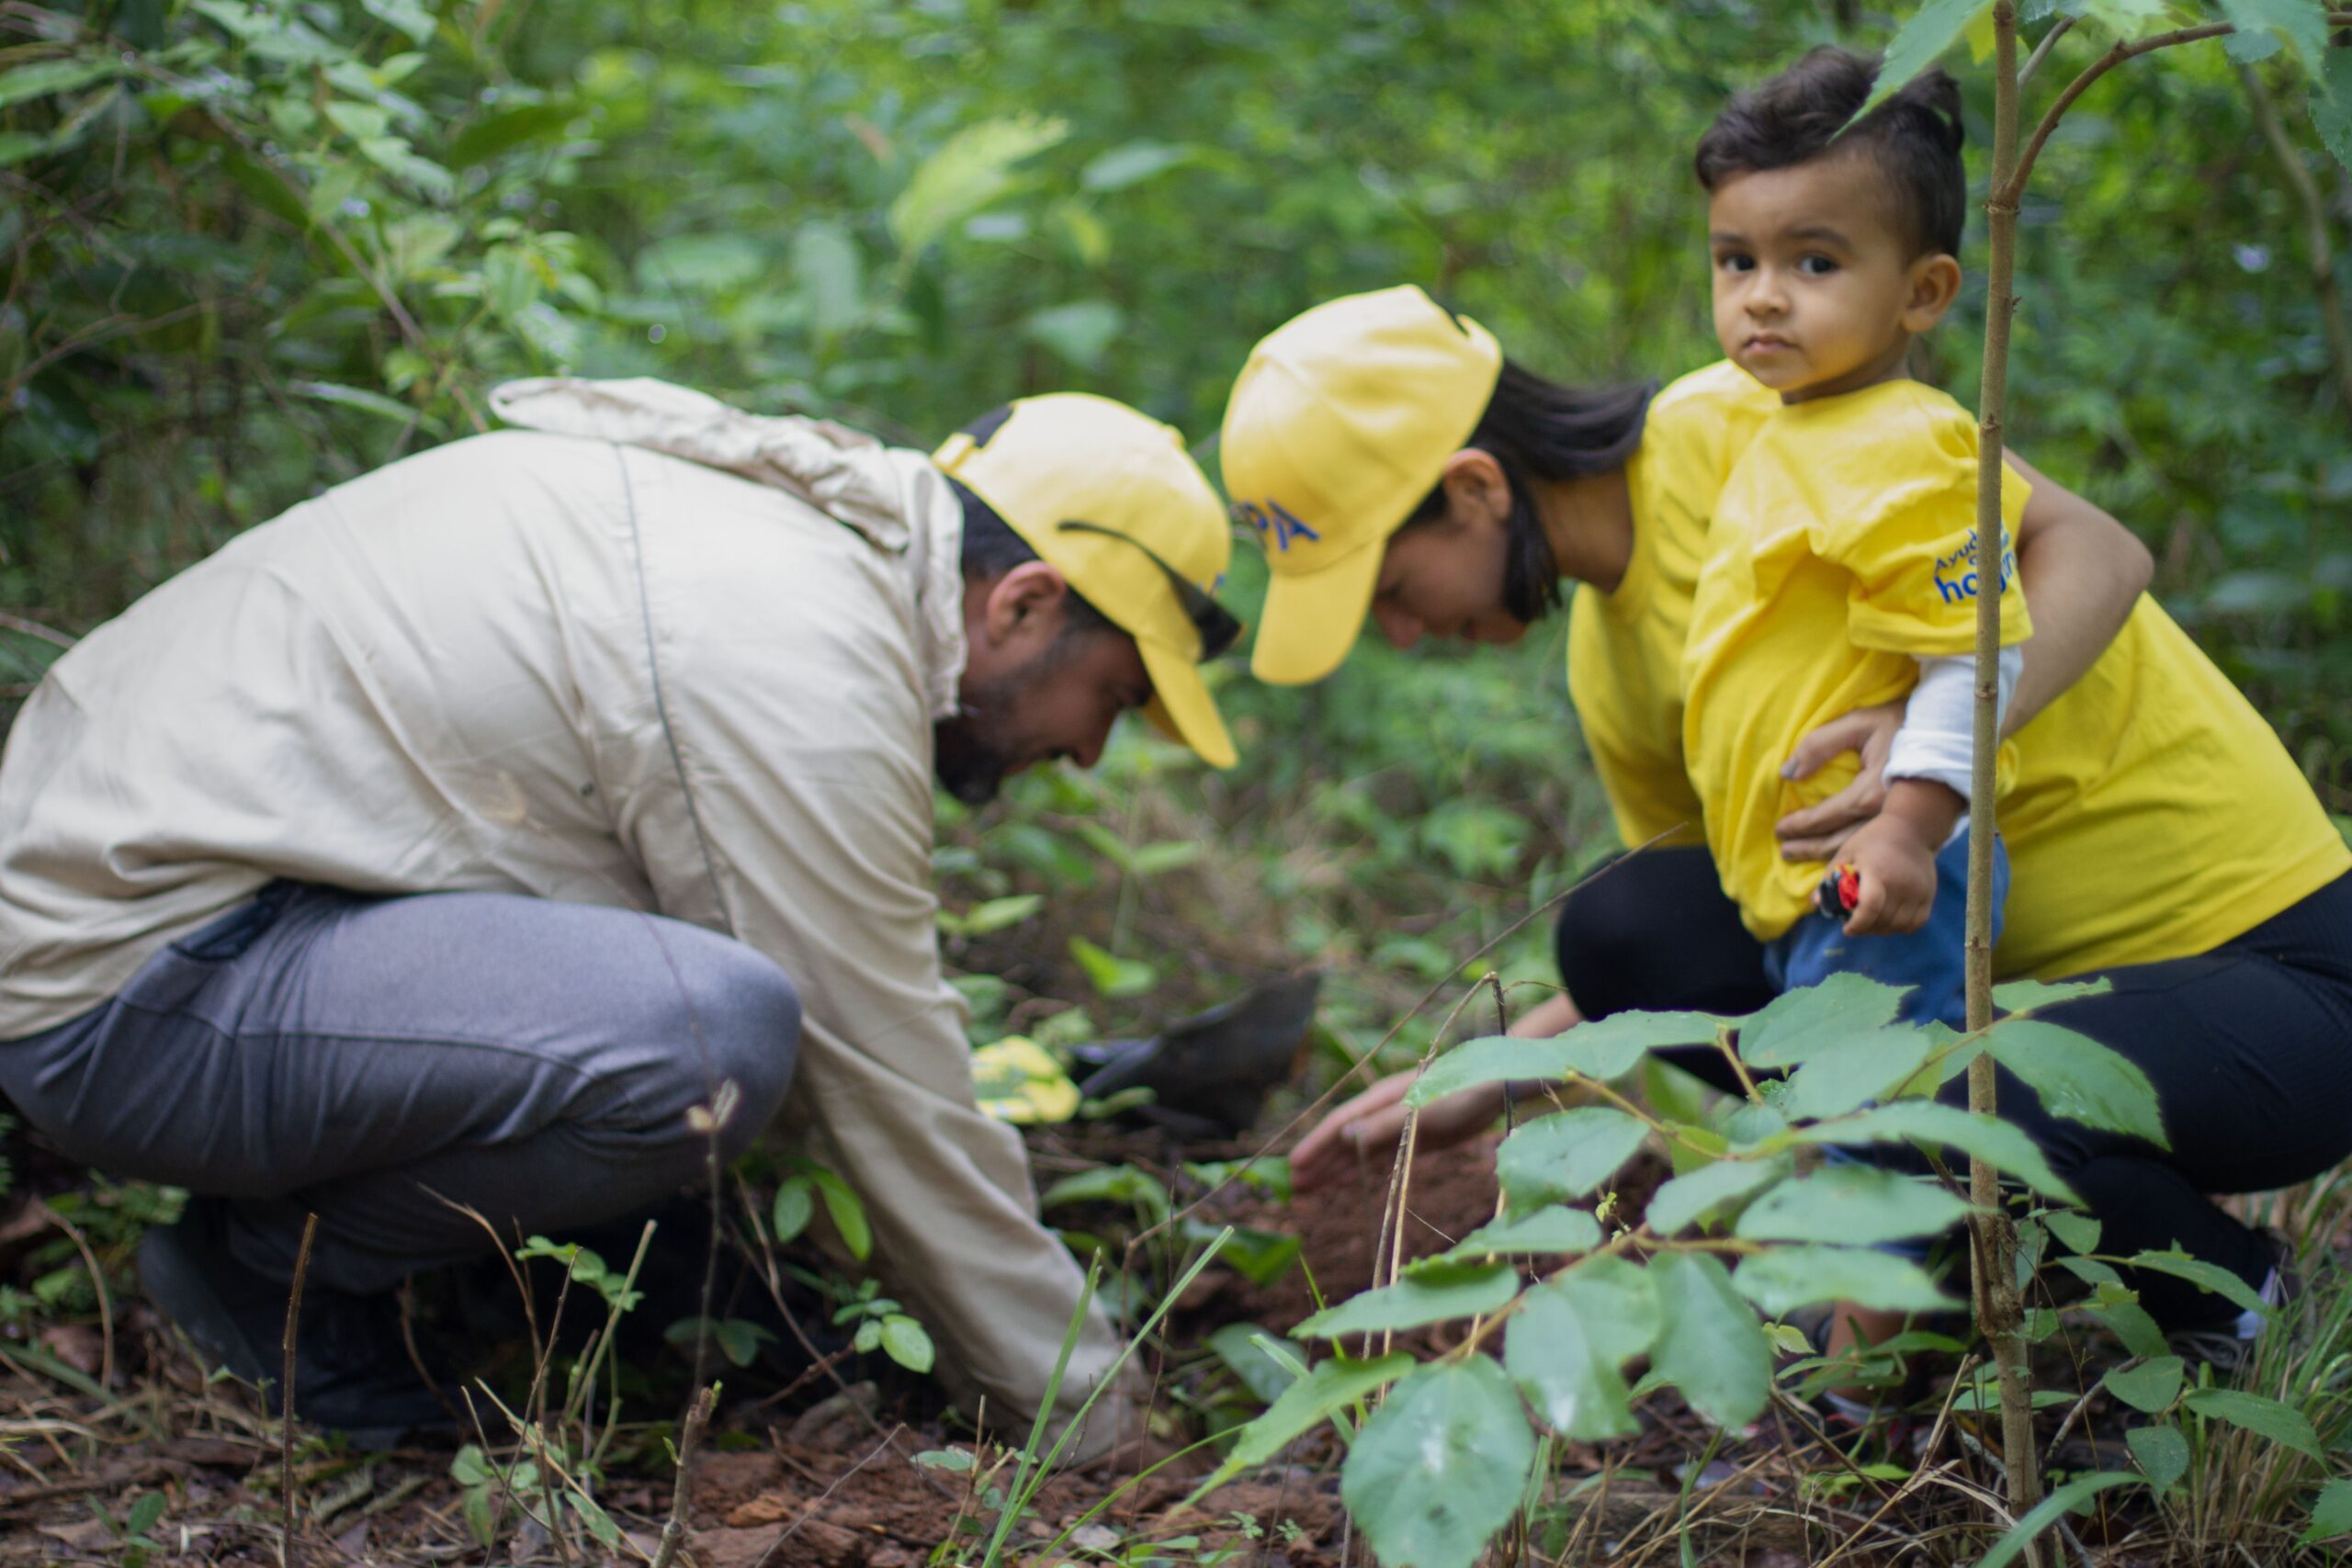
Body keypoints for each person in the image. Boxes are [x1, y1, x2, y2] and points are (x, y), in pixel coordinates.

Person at [0, 377, 1241, 1454]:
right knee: (709, 1036)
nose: (1088, 750)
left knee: (700, 1010)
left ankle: (500, 1274)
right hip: (128, 983)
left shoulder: (779, 547)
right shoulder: (797, 650)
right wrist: (1092, 1422)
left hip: (172, 918)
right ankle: (264, 1271)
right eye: (1115, 694)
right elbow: (883, 1078)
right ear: (1021, 602)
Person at [1230, 269, 2352, 1344]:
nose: (1404, 633)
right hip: (2013, 989)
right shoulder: (1610, 666)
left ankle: (2252, 1308)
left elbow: (2100, 551)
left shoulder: (1755, 422)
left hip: (2276, 979)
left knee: (1941, 1094)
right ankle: (1948, 1273)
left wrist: (1933, 746)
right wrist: (1493, 1069)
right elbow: (1718, 929)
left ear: (1475, 489)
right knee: (1627, 930)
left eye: (1389, 589)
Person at [1684, 51, 2030, 1029]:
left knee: (1881, 1141)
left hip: (1884, 862)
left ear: (1922, 292)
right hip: (1820, 874)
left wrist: (1910, 832)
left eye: (1814, 263)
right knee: (1839, 1118)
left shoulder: (1907, 442)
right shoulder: (1788, 427)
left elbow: (1977, 649)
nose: (1760, 295)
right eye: (1736, 259)